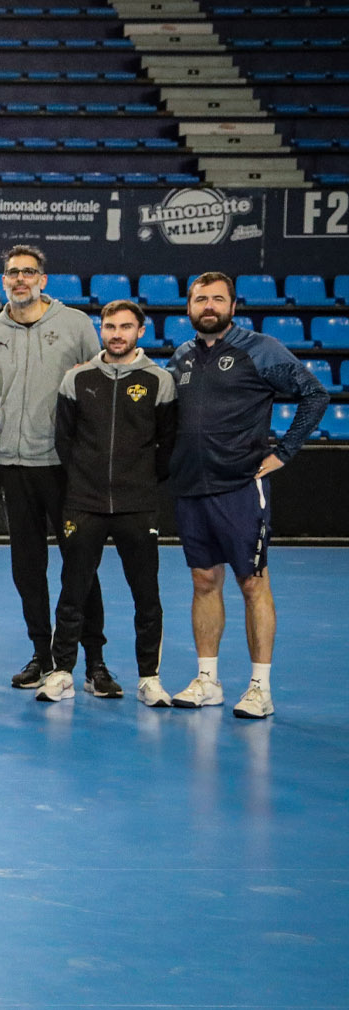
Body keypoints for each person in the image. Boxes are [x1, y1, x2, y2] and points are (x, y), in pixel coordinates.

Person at [165, 271, 328, 719]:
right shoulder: (180, 357)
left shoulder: (261, 350)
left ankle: (260, 687)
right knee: (203, 582)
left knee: (252, 583)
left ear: (234, 306)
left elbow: (315, 394)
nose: (209, 306)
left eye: (219, 299)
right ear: (189, 307)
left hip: (240, 487)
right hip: (191, 488)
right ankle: (208, 680)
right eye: (201, 299)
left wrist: (285, 451)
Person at [0, 245, 110, 692]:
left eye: (28, 272)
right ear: (4, 281)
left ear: (43, 280)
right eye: (12, 273)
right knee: (27, 568)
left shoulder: (76, 326)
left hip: (64, 467)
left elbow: (97, 384)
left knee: (80, 566)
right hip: (12, 466)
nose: (19, 279)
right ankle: (43, 653)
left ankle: (94, 662)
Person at [37, 300, 177, 707]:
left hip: (137, 504)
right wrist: (85, 479)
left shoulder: (159, 380)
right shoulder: (77, 379)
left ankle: (149, 678)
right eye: (110, 326)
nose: (117, 334)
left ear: (140, 332)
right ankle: (62, 671)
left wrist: (142, 481)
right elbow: (64, 440)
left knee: (146, 595)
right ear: (101, 329)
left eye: (126, 327)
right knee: (72, 591)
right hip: (84, 502)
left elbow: (167, 445)